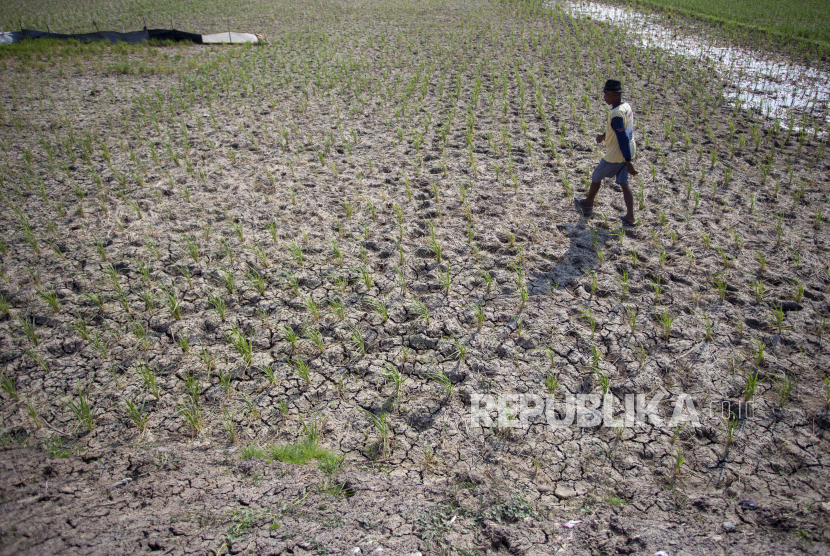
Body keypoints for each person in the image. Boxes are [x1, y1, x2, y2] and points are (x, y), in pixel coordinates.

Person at [574, 79, 638, 226]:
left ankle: (588, 203)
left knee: (597, 175)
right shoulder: (625, 107)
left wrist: (628, 162)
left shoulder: (615, 114)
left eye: (607, 94)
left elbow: (621, 137)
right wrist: (604, 136)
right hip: (630, 147)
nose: (604, 97)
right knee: (623, 182)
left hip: (618, 152)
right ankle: (630, 216)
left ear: (615, 95)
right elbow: (619, 129)